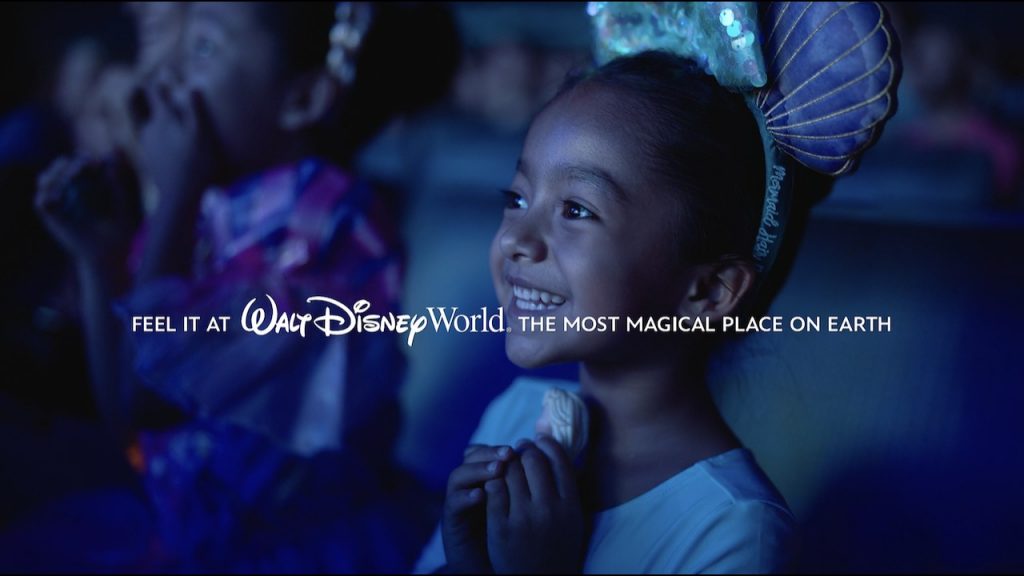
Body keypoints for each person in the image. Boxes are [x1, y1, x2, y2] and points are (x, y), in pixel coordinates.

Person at [416, 2, 901, 573]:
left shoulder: (735, 532)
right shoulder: (512, 418)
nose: (517, 239)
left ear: (710, 291)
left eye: (576, 209)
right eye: (517, 198)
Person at [33, 2, 457, 571]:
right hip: (188, 534)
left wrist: (176, 195)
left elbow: (147, 398)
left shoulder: (329, 224)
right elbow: (121, 413)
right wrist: (100, 257)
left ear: (302, 99)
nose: (164, 74)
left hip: (292, 550)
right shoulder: (215, 207)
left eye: (203, 48)